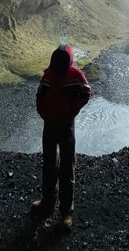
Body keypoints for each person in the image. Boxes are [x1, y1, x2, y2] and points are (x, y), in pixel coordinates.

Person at [32, 44, 91, 230]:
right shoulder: (49, 75)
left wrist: (72, 111)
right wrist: (46, 115)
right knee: (49, 164)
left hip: (65, 126)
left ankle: (66, 213)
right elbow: (40, 96)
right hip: (50, 126)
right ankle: (48, 202)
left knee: (66, 168)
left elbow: (86, 92)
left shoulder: (75, 76)